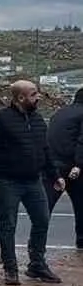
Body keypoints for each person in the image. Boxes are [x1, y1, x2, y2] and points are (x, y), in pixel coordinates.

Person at [0, 79, 65, 285]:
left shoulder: (37, 120)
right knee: (8, 225)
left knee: (42, 220)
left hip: (34, 181)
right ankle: (10, 269)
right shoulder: (0, 120)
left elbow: (45, 150)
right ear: (20, 97)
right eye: (34, 94)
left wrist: (56, 175)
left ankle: (37, 265)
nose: (38, 98)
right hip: (7, 181)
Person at [47, 85, 83, 250]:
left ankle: (36, 246)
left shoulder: (60, 113)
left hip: (54, 167)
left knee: (45, 207)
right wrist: (78, 164)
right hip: (73, 167)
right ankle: (82, 242)